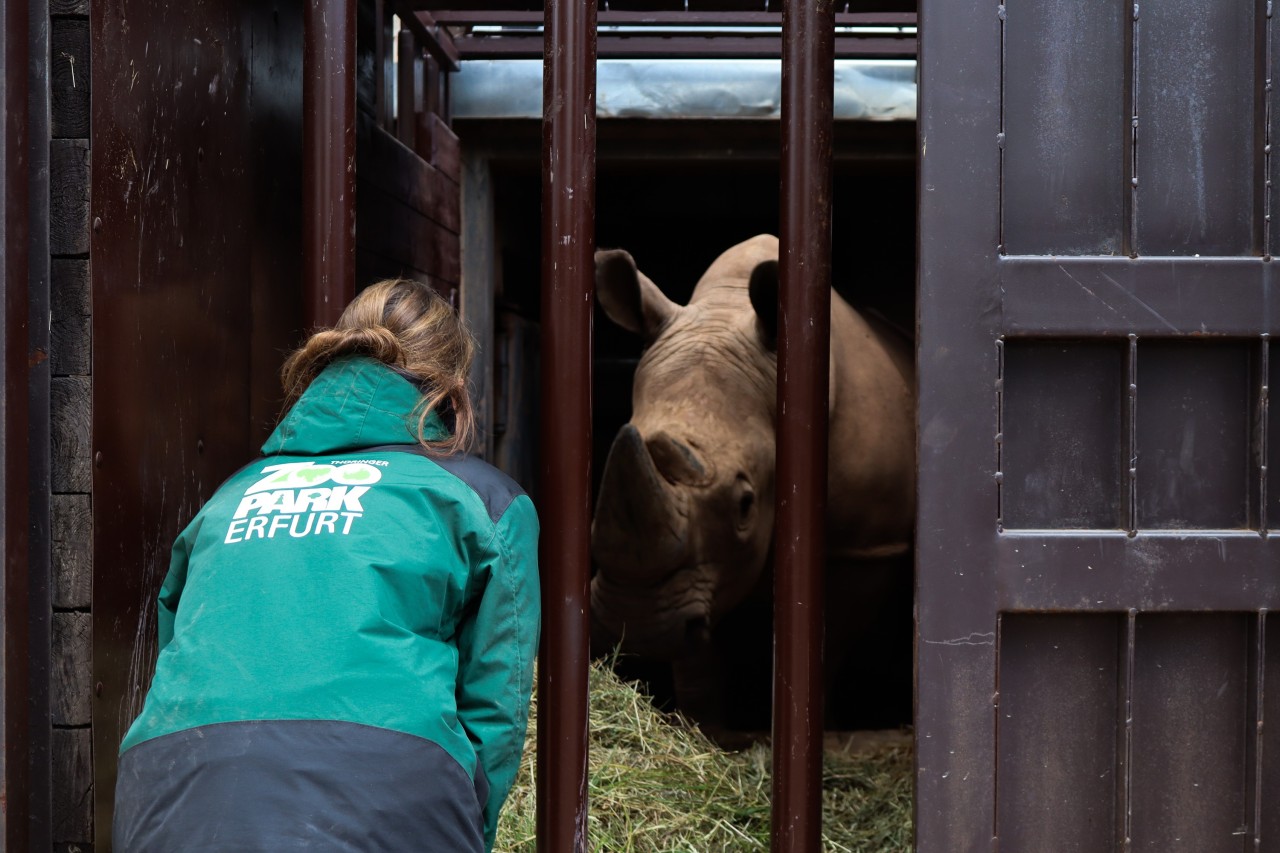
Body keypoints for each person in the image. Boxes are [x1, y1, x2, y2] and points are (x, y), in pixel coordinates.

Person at [113, 279, 540, 852]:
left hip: (167, 794)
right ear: (453, 392)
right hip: (385, 798)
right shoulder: (484, 501)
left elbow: (179, 653)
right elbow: (495, 712)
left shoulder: (229, 497)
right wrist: (460, 828)